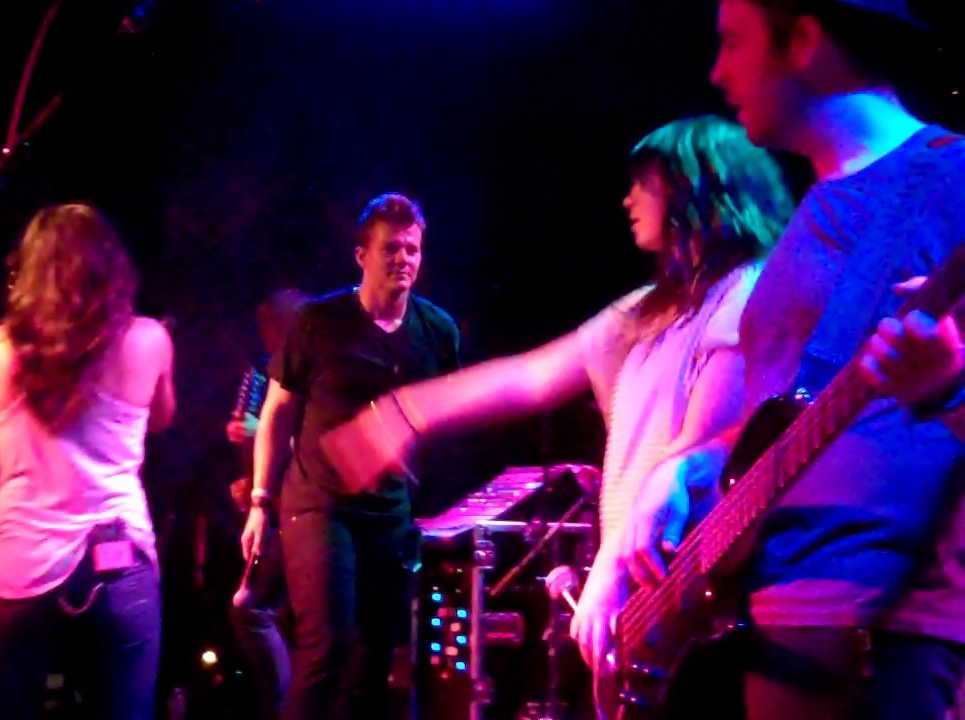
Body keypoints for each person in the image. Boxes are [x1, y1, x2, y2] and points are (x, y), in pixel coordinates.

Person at [320, 116, 796, 709]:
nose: (627, 199)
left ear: (690, 188)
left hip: (689, 597)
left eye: (642, 183)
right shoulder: (651, 310)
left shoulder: (745, 294)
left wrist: (610, 571)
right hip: (643, 593)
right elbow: (535, 374)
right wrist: (406, 411)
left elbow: (698, 451)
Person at [607, 1, 965, 718]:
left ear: (803, 39)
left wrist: (950, 387)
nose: (716, 72)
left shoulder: (952, 177)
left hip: (882, 635)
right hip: (769, 622)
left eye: (733, 42)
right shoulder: (813, 213)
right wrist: (690, 465)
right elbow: (779, 416)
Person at [0, 202, 176, 720]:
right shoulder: (148, 339)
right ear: (110, 266)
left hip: (19, 562)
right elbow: (162, 418)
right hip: (117, 558)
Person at [247, 192, 461, 720]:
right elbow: (276, 414)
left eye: (412, 249)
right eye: (391, 248)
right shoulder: (318, 323)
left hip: (389, 513)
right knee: (328, 650)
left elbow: (445, 413)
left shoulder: (437, 331)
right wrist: (259, 501)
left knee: (374, 663)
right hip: (320, 505)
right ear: (362, 255)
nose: (403, 259)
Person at [225, 288, 307, 720]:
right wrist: (251, 484)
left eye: (269, 323)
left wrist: (260, 431)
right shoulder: (263, 372)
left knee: (252, 608)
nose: (263, 332)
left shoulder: (313, 371)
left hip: (308, 514)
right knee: (265, 613)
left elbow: (314, 445)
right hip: (277, 512)